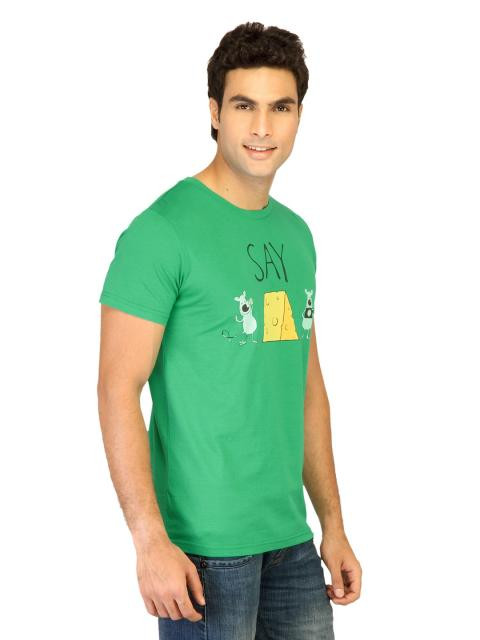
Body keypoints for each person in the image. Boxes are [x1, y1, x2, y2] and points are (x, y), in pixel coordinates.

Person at [97, 20, 361, 640]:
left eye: (280, 107)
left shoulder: (296, 235)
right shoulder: (161, 232)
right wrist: (149, 541)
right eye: (244, 106)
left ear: (299, 116)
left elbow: (306, 389)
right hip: (203, 553)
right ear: (215, 112)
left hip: (291, 544)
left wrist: (333, 525)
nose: (262, 127)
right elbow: (116, 389)